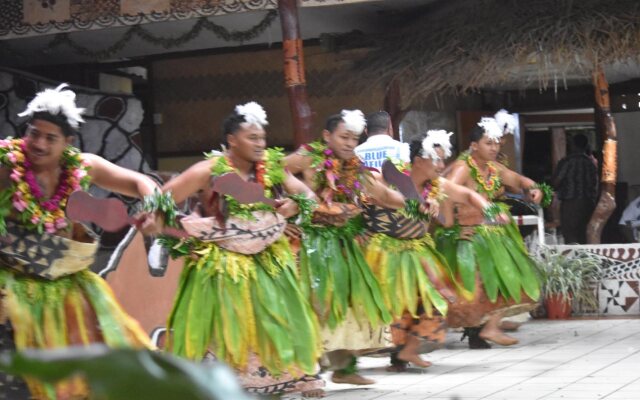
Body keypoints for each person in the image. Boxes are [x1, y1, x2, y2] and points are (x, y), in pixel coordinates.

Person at [0, 84, 158, 399]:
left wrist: (153, 206)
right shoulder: (6, 166)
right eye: (34, 133)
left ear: (68, 143)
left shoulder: (81, 166)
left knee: (82, 380)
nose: (39, 143)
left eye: (50, 138)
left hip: (66, 285)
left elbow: (141, 182)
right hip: (13, 284)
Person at [160, 102, 325, 397]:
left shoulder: (273, 169)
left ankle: (276, 383)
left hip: (267, 266)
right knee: (224, 335)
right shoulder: (209, 170)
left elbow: (310, 197)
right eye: (252, 138)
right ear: (232, 140)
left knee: (275, 328)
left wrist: (296, 204)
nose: (261, 144)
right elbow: (157, 203)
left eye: (262, 138)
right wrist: (180, 238)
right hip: (222, 269)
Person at [362, 130, 509, 371]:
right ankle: (398, 356)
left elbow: (468, 194)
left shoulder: (435, 186)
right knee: (399, 306)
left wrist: (491, 210)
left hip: (419, 251)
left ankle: (410, 349)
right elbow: (381, 195)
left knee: (439, 299)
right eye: (436, 159)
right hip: (387, 252)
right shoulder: (393, 178)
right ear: (418, 160)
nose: (442, 165)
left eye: (443, 159)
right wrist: (414, 204)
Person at [285, 110, 406, 385]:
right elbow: (269, 170)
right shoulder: (308, 157)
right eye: (344, 137)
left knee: (349, 305)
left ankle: (344, 368)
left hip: (343, 245)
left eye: (353, 138)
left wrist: (414, 203)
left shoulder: (357, 166)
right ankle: (308, 370)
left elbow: (384, 195)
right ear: (327, 135)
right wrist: (282, 214)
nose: (350, 143)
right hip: (309, 244)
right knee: (315, 305)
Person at [438, 115, 546, 349]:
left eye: (497, 143)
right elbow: (446, 192)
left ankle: (490, 328)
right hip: (469, 235)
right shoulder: (462, 168)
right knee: (473, 288)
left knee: (507, 280)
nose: (495, 147)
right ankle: (477, 331)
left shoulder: (494, 168)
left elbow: (518, 179)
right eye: (489, 143)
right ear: (474, 145)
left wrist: (533, 187)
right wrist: (453, 228)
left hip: (494, 234)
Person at [553, 133, 598, 244]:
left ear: (573, 145)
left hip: (571, 202)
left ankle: (573, 259)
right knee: (584, 233)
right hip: (588, 202)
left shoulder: (567, 161)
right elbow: (595, 183)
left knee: (570, 234)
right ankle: (586, 259)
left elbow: (557, 181)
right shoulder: (591, 163)